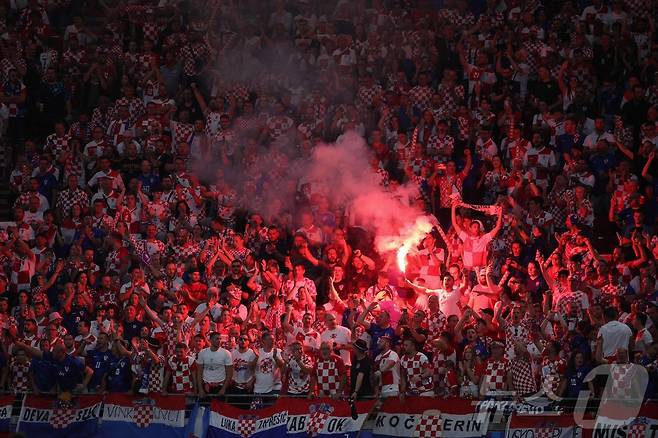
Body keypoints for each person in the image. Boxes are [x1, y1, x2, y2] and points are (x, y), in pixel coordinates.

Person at [196, 332, 233, 397]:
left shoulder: (226, 353)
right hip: (206, 386)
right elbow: (199, 372)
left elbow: (229, 373)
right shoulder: (202, 353)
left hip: (220, 386)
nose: (219, 341)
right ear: (210, 340)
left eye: (220, 339)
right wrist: (200, 389)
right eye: (217, 339)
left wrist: (223, 389)